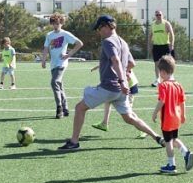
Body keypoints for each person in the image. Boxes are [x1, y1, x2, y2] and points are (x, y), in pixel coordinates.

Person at [59, 15, 163, 151]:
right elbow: (132, 63)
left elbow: (115, 60)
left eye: (99, 28)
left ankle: (74, 142)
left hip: (110, 87)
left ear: (107, 26)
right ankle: (157, 137)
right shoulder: (123, 42)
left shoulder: (108, 41)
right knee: (130, 117)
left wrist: (121, 80)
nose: (99, 31)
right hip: (121, 91)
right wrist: (124, 79)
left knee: (79, 108)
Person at [152, 55, 193, 173]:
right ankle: (186, 153)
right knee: (174, 139)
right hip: (176, 118)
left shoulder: (163, 85)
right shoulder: (178, 85)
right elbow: (182, 101)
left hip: (167, 118)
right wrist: (183, 115)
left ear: (163, 72)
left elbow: (162, 101)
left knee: (168, 142)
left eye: (160, 72)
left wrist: (155, 113)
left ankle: (171, 165)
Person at [41, 13, 83, 118]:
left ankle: (59, 108)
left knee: (54, 82)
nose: (55, 26)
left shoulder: (65, 34)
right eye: (53, 24)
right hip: (53, 64)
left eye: (57, 24)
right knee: (59, 85)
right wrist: (43, 60)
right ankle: (65, 108)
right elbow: (46, 48)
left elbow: (79, 43)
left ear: (61, 24)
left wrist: (69, 54)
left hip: (61, 63)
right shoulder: (49, 35)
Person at [91, 58, 144, 138]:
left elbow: (128, 75)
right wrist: (99, 66)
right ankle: (104, 123)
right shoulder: (114, 57)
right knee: (107, 101)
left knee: (128, 111)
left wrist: (123, 81)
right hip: (123, 86)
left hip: (129, 87)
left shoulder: (121, 60)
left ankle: (143, 129)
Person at [149, 10, 175, 87]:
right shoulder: (153, 24)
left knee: (168, 63)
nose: (158, 16)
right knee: (157, 63)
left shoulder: (166, 23)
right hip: (156, 46)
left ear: (162, 15)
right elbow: (150, 35)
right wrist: (150, 46)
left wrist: (172, 44)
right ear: (155, 16)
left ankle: (171, 77)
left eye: (160, 15)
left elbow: (172, 34)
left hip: (165, 46)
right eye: (157, 15)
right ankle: (157, 79)